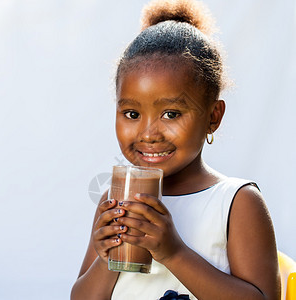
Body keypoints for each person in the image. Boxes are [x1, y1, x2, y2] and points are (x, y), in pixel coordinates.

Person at [71, 0, 281, 299]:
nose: (148, 133)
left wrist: (173, 252)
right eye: (132, 114)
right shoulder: (115, 199)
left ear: (213, 117)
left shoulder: (237, 202)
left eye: (171, 114)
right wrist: (107, 259)